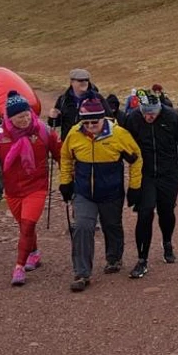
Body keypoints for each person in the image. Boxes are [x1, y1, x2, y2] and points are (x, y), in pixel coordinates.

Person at [0, 91, 61, 286]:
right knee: (24, 225)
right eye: (19, 117)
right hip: (12, 190)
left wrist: (68, 180)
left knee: (28, 223)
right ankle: (34, 252)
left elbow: (60, 154)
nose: (24, 120)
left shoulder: (43, 131)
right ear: (9, 117)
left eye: (26, 115)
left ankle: (19, 267)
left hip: (37, 187)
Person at [59, 97, 142, 292]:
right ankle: (81, 273)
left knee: (111, 225)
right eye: (85, 122)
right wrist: (65, 182)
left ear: (103, 118)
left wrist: (135, 186)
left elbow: (136, 159)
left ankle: (114, 258)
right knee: (81, 227)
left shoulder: (119, 134)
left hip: (111, 192)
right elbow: (65, 157)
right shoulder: (74, 133)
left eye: (94, 122)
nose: (90, 126)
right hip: (83, 192)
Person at [125, 92, 178, 278]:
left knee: (166, 211)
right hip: (145, 174)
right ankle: (142, 259)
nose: (149, 116)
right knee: (145, 213)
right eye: (145, 112)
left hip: (169, 173)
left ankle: (167, 241)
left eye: (152, 112)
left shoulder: (172, 116)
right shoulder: (134, 118)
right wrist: (127, 155)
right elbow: (126, 141)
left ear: (159, 108)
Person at [47, 68, 110, 142]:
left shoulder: (97, 98)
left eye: (86, 80)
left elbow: (109, 118)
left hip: (91, 143)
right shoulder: (63, 99)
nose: (84, 82)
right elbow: (56, 123)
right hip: (69, 143)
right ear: (72, 82)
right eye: (80, 80)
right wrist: (52, 118)